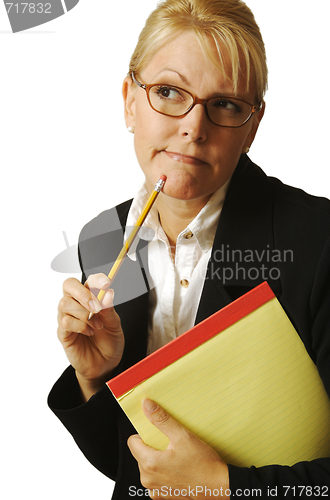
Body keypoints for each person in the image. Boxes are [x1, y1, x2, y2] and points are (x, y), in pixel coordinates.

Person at [48, 0, 330, 498]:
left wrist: (226, 488)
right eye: (167, 92)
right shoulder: (105, 237)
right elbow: (129, 468)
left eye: (224, 104)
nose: (193, 129)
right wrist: (94, 379)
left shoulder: (320, 238)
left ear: (253, 126)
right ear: (128, 101)